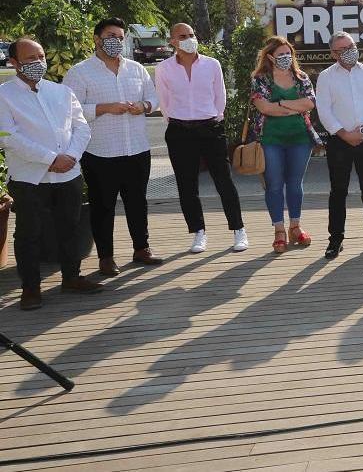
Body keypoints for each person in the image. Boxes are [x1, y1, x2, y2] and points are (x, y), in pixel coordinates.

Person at [1, 37, 101, 310]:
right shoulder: (4, 95)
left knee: (69, 228)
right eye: (30, 59)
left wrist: (70, 157)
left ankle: (71, 277)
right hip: (30, 179)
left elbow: (82, 128)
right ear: (14, 62)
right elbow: (9, 137)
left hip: (68, 175)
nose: (38, 63)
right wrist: (49, 159)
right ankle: (30, 288)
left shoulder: (62, 92)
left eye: (41, 56)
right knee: (28, 234)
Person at [64, 18, 161, 277]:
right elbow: (69, 110)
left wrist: (144, 106)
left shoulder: (137, 69)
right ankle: (106, 257)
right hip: (100, 152)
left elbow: (154, 98)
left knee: (137, 202)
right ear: (96, 38)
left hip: (137, 149)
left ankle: (141, 248)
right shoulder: (79, 72)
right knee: (103, 206)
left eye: (120, 37)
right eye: (110, 36)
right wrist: (104, 108)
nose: (115, 41)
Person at [156, 23, 247, 254]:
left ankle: (238, 229)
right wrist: (179, 120)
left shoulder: (211, 64)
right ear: (173, 41)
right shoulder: (164, 68)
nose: (189, 38)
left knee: (223, 180)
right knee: (187, 185)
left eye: (192, 34)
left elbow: (220, 96)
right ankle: (198, 232)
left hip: (210, 128)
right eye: (183, 36)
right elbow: (164, 101)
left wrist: (214, 118)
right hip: (179, 131)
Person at [316, 31, 363, 258]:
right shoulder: (326, 77)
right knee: (338, 191)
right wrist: (344, 134)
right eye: (342, 49)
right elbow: (324, 111)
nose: (349, 52)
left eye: (351, 46)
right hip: (339, 142)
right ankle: (335, 239)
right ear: (333, 53)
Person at [249, 36, 320, 254]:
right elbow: (264, 108)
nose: (286, 58)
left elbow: (309, 103)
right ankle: (279, 230)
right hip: (271, 139)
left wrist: (280, 103)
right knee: (274, 184)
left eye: (288, 54)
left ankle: (295, 227)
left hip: (300, 138)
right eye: (280, 54)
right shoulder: (260, 79)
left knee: (295, 183)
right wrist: (292, 107)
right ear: (270, 56)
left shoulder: (301, 77)